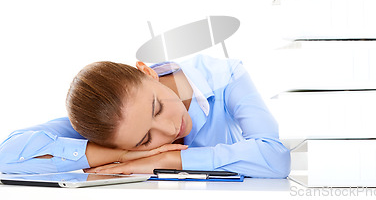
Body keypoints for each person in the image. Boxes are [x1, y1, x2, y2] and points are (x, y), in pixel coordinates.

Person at [0, 55, 290, 178]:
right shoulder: (107, 121)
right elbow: (7, 154)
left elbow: (276, 157)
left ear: (147, 72)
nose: (169, 128)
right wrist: (123, 157)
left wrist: (162, 160)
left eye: (157, 107)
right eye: (145, 140)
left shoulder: (225, 76)